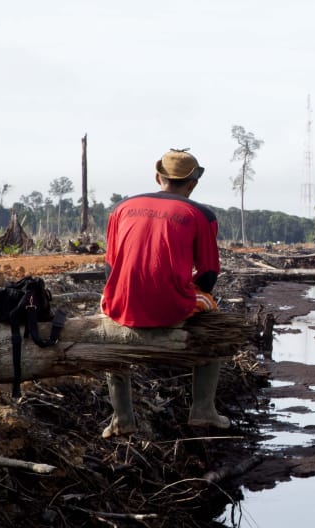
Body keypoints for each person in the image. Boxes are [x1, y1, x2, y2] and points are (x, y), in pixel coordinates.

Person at [99, 148, 227, 438]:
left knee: (106, 329)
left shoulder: (121, 208)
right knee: (215, 322)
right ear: (193, 183)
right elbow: (208, 275)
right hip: (172, 310)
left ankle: (121, 417)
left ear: (158, 177)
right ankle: (203, 410)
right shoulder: (201, 214)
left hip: (119, 306)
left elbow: (109, 268)